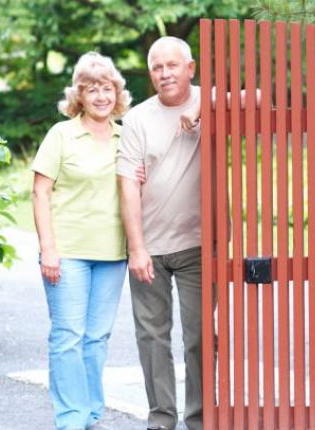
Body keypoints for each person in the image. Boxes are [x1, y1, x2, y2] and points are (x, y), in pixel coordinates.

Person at [31, 51, 132, 430]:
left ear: (117, 92)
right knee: (68, 336)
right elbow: (40, 193)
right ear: (79, 95)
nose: (101, 96)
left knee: (97, 338)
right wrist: (49, 249)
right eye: (92, 89)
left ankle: (90, 411)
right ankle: (71, 417)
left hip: (112, 253)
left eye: (107, 88)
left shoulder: (127, 135)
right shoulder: (61, 134)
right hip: (68, 252)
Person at [116, 36, 205, 430]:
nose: (165, 73)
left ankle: (201, 419)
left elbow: (257, 96)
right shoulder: (137, 118)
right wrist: (137, 248)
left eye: (172, 65)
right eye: (157, 67)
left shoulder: (212, 99)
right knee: (152, 339)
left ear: (190, 68)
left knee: (200, 338)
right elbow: (126, 185)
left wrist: (203, 106)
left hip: (200, 245)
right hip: (150, 246)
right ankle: (162, 420)